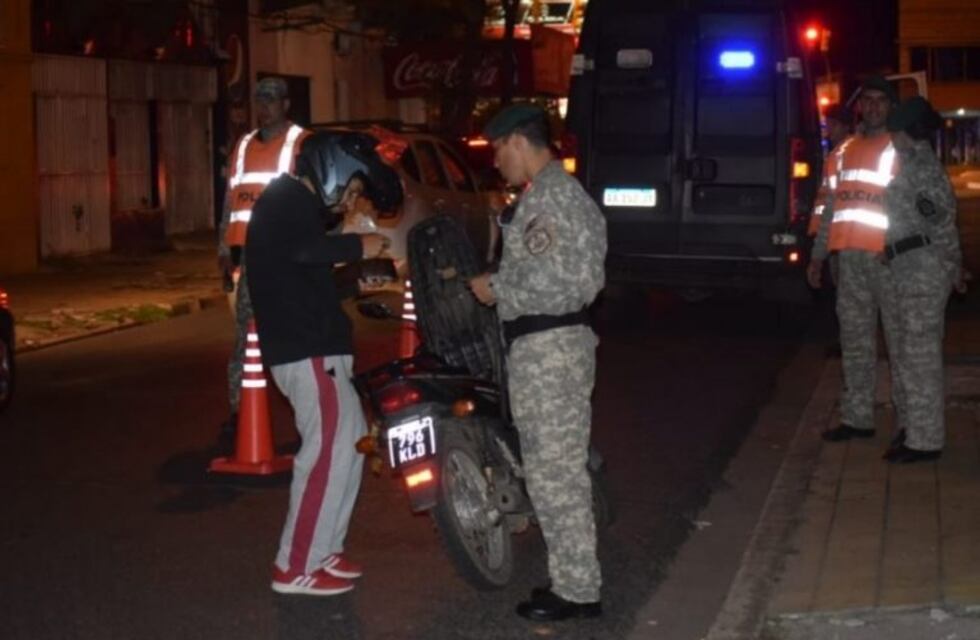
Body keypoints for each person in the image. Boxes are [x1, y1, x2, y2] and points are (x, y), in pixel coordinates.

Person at [243, 131, 400, 595]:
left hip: (317, 349)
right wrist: (358, 247)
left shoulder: (292, 205)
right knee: (325, 457)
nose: (351, 200)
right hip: (307, 352)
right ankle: (294, 566)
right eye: (352, 189)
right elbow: (306, 253)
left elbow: (305, 271)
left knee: (348, 448)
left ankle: (323, 549)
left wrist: (355, 272)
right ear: (332, 170)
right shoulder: (285, 198)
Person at [468, 105, 606, 621]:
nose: (497, 163)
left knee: (556, 474)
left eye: (498, 151)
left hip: (552, 349)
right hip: (542, 349)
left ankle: (578, 591)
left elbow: (576, 283)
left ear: (518, 143)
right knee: (552, 471)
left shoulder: (554, 199)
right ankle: (573, 580)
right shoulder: (540, 197)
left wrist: (497, 287)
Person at [216, 77, 310, 449]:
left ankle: (309, 415)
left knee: (295, 340)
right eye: (261, 100)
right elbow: (232, 199)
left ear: (286, 104)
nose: (265, 106)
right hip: (252, 260)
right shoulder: (243, 146)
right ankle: (240, 416)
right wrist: (224, 248)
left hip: (287, 260)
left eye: (272, 100)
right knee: (247, 341)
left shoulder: (300, 144)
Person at [807, 76, 901, 446]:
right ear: (860, 107)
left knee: (900, 346)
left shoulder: (902, 148)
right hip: (849, 263)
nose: (874, 106)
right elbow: (829, 207)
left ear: (891, 106)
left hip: (890, 262)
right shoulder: (842, 151)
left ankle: (910, 425)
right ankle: (857, 418)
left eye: (881, 100)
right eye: (868, 101)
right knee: (856, 342)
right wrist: (817, 257)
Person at [877, 96, 963, 462]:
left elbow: (941, 223)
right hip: (903, 267)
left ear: (911, 132)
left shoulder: (924, 170)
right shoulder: (908, 164)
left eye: (896, 130)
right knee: (905, 355)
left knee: (920, 357)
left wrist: (952, 265)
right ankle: (911, 428)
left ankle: (925, 442)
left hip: (923, 269)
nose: (891, 135)